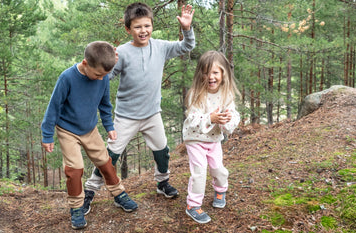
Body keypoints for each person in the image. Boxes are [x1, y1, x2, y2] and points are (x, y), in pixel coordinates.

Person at [82, 2, 196, 215]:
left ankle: (162, 183)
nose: (143, 31)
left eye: (147, 26)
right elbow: (106, 77)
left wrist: (187, 29)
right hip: (126, 116)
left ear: (152, 25)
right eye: (137, 27)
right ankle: (90, 191)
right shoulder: (122, 53)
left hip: (153, 114)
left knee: (162, 151)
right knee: (110, 156)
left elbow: (186, 47)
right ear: (128, 29)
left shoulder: (161, 47)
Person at [41, 41, 138, 230]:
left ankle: (118, 194)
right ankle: (76, 207)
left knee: (105, 163)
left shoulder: (102, 78)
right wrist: (47, 135)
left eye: (105, 75)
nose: (102, 78)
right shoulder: (67, 78)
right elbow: (53, 107)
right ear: (85, 63)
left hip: (90, 129)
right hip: (67, 130)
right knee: (74, 169)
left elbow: (104, 104)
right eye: (98, 74)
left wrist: (109, 126)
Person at [182, 51, 241, 223]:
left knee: (218, 169)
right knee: (200, 171)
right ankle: (193, 205)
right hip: (195, 139)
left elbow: (233, 115)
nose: (210, 77)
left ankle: (220, 190)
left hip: (213, 140)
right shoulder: (196, 93)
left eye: (215, 72)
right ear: (200, 73)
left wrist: (226, 121)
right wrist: (210, 118)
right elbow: (192, 119)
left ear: (223, 73)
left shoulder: (226, 94)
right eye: (206, 72)